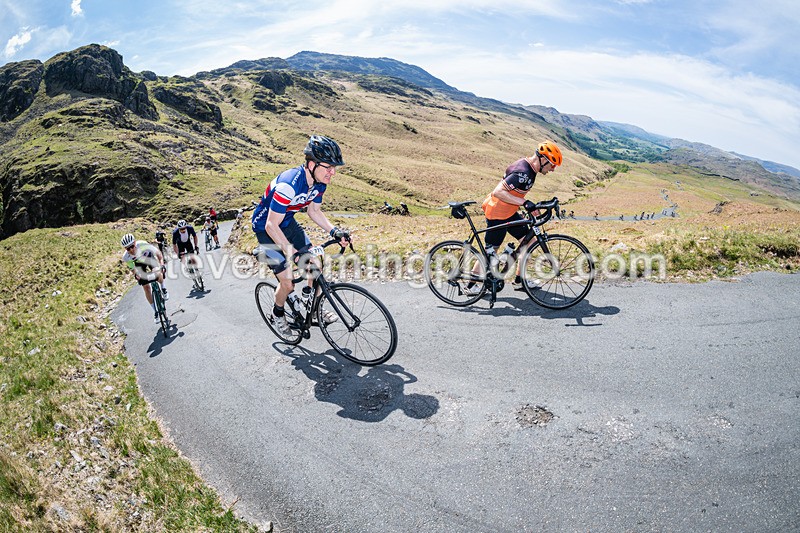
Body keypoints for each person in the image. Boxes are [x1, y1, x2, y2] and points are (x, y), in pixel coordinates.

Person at [251, 134, 350, 334]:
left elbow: (314, 211)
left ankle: (312, 308)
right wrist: (292, 251)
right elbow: (271, 225)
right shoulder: (289, 185)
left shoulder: (319, 182)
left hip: (287, 223)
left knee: (315, 267)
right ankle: (278, 313)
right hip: (266, 228)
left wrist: (334, 231)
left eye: (334, 168)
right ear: (312, 164)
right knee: (287, 283)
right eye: (328, 167)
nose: (332, 173)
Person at [471, 140, 562, 293]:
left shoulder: (531, 170)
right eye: (552, 165)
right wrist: (525, 202)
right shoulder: (523, 172)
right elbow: (498, 192)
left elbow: (515, 193)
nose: (552, 169)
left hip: (510, 213)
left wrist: (531, 207)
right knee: (491, 251)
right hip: (497, 214)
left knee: (530, 242)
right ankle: (471, 283)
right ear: (543, 159)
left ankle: (520, 280)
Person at [120, 233, 168, 324]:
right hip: (139, 264)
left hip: (149, 258)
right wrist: (136, 275)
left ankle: (163, 288)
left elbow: (158, 254)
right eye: (128, 248)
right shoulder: (126, 257)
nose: (131, 250)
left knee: (157, 271)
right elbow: (133, 268)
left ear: (135, 242)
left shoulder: (142, 244)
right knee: (145, 286)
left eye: (132, 246)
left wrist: (162, 265)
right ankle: (155, 311)